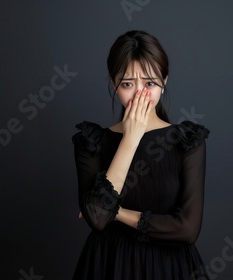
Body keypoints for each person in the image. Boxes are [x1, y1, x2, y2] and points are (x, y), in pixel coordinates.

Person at [72, 30, 210, 279]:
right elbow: (98, 219)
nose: (140, 94)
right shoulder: (92, 142)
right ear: (113, 83)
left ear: (164, 81)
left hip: (170, 267)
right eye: (127, 84)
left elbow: (187, 229)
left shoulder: (187, 142)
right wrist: (131, 138)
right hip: (109, 265)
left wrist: (118, 212)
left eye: (150, 83)